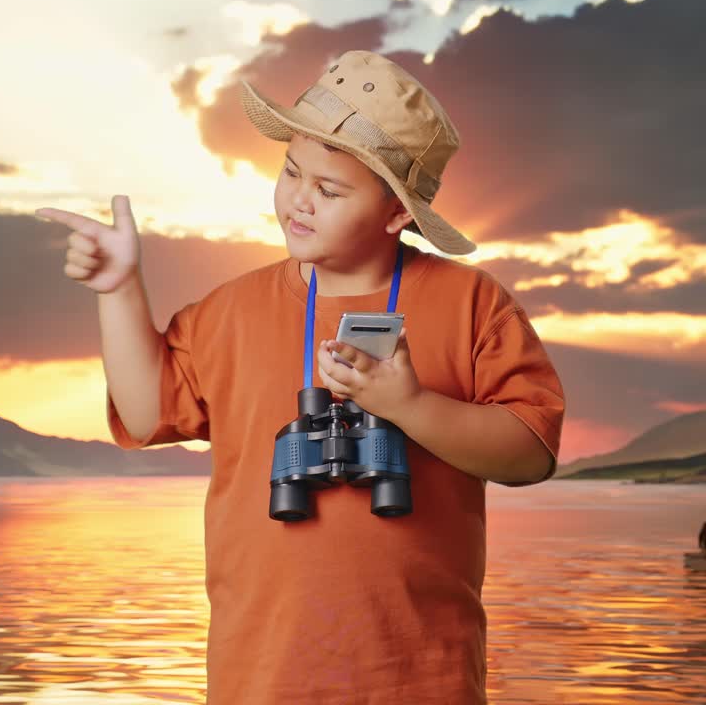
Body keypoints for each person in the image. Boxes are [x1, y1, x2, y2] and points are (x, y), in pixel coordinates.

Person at [37, 49, 565, 704]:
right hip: (262, 677)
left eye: (330, 190)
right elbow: (147, 416)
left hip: (420, 679)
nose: (299, 201)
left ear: (397, 213)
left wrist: (409, 406)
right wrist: (118, 289)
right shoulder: (230, 311)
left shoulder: (472, 304)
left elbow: (531, 453)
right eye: (291, 173)